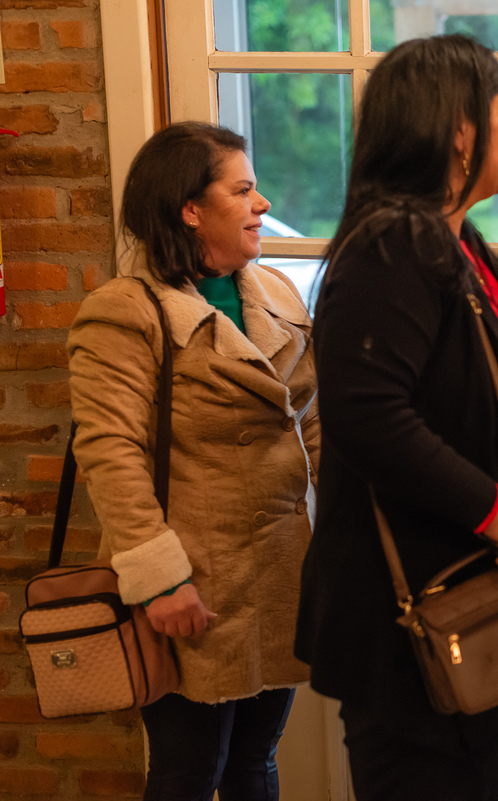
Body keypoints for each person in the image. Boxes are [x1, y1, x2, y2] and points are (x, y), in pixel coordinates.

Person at [292, 34, 498, 801]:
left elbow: (472, 390)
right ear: (457, 131)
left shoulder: (455, 239)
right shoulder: (391, 247)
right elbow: (369, 417)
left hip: (493, 604)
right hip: (424, 619)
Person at [67, 121, 319, 800]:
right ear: (190, 208)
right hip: (193, 587)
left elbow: (316, 424)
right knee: (187, 772)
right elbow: (109, 453)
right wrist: (159, 581)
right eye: (243, 189)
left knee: (256, 758)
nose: (263, 204)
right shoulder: (125, 311)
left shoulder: (278, 294)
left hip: (277, 573)